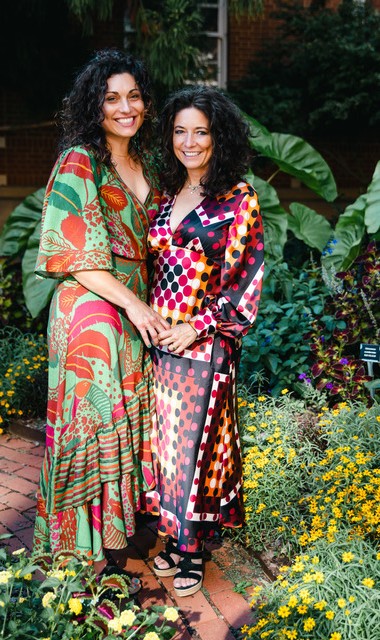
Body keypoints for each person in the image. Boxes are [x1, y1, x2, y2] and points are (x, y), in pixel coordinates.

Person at [32, 50, 169, 592]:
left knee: (121, 424)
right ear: (94, 104)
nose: (125, 106)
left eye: (133, 95)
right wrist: (134, 306)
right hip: (91, 309)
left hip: (134, 309)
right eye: (112, 97)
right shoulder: (79, 161)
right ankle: (81, 569)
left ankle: (109, 555)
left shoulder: (149, 162)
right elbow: (77, 252)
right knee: (93, 425)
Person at [142, 87, 264, 597]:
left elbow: (246, 280)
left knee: (196, 449)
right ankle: (174, 537)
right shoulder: (166, 195)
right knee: (165, 448)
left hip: (203, 345)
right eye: (180, 131)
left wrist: (196, 326)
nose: (189, 141)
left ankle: (191, 549)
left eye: (201, 131)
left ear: (219, 137)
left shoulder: (239, 198)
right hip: (158, 344)